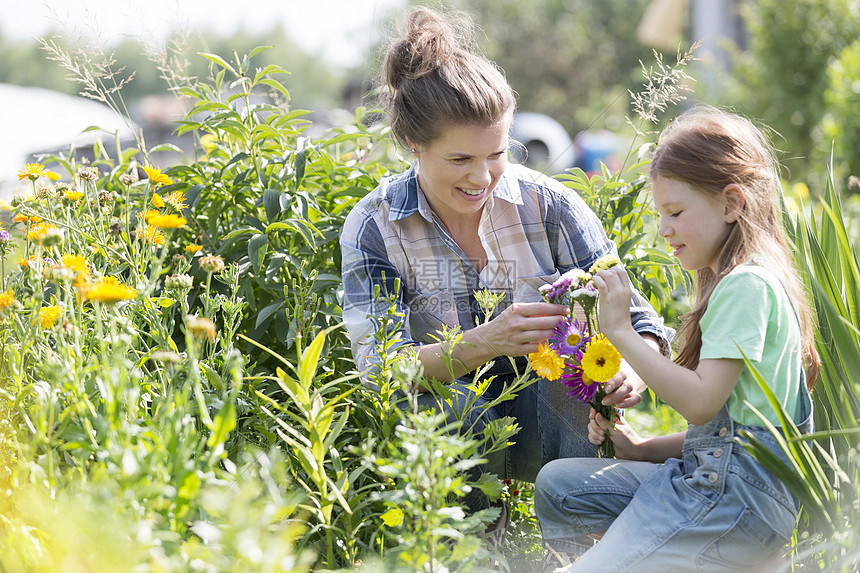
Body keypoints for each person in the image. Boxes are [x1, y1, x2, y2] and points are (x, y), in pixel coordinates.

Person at [339, 5, 671, 532]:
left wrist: (630, 368)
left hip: (554, 421)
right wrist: (487, 341)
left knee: (572, 374)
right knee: (455, 410)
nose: (482, 177)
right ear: (412, 145)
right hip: (452, 420)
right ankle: (471, 553)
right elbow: (383, 369)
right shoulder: (375, 226)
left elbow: (638, 322)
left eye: (495, 154)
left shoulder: (549, 204)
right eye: (459, 160)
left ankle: (583, 548)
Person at [534, 107, 820, 572]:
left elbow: (703, 404)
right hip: (722, 487)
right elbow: (730, 432)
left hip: (728, 501)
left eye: (676, 211)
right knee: (560, 486)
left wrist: (621, 332)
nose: (664, 228)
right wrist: (643, 450)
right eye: (660, 214)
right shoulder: (753, 281)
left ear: (731, 203)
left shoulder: (746, 285)